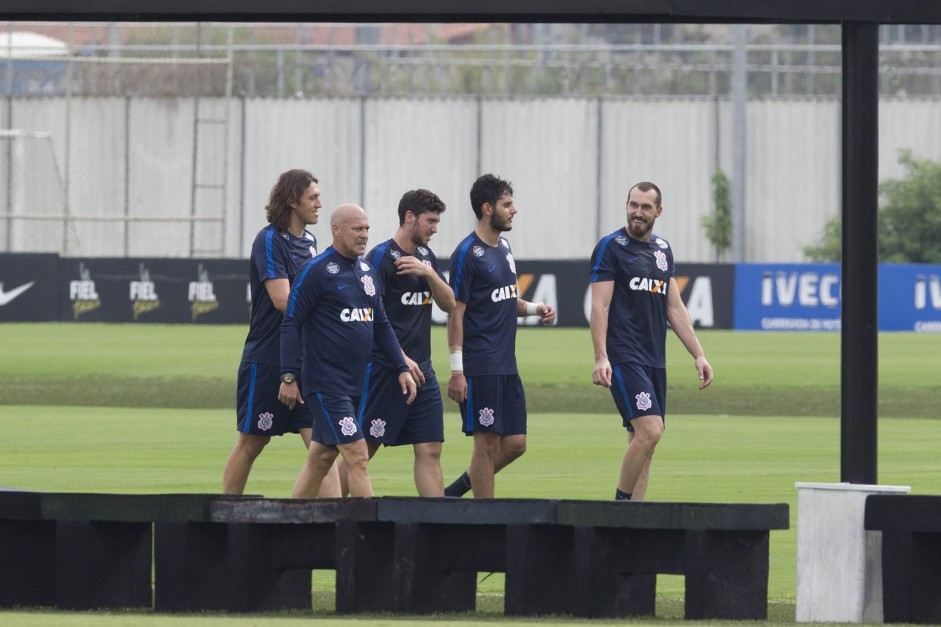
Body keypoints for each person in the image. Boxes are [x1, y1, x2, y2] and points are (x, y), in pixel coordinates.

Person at [280, 203, 418, 498]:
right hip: (326, 383)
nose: (364, 235)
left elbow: (381, 325)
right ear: (336, 230)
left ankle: (289, 524)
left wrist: (401, 367)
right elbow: (291, 322)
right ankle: (366, 533)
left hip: (356, 384)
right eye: (357, 228)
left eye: (367, 228)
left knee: (321, 458)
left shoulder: (367, 272)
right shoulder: (315, 271)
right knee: (357, 454)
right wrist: (288, 376)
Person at [589, 181, 714, 501]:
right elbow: (600, 306)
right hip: (624, 356)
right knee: (650, 430)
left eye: (645, 207)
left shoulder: (662, 250)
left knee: (644, 443)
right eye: (633, 205)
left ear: (658, 211)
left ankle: (634, 523)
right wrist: (601, 357)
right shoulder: (611, 246)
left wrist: (698, 354)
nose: (637, 212)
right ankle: (618, 511)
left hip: (654, 359)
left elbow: (674, 307)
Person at [222, 169, 339, 497]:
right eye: (313, 197)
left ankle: (336, 525)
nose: (320, 203)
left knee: (323, 447)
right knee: (252, 442)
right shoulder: (270, 239)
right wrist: (329, 317)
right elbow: (281, 300)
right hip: (269, 359)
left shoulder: (312, 242)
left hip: (306, 361)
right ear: (292, 200)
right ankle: (225, 514)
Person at [442, 174, 555, 499]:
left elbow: (506, 300)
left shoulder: (503, 247)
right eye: (507, 204)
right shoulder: (467, 253)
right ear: (488, 208)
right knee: (487, 444)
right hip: (480, 366)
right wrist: (457, 370)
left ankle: (456, 491)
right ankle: (485, 521)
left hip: (507, 364)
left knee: (516, 444)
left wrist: (536, 309)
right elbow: (456, 312)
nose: (514, 210)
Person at [336, 189, 455, 496]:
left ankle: (436, 522)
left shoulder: (426, 257)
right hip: (385, 371)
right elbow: (368, 319)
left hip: (423, 372)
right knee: (363, 447)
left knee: (430, 448)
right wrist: (399, 358)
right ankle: (329, 505)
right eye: (430, 221)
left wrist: (427, 273)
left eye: (437, 221)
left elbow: (450, 304)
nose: (435, 228)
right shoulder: (380, 258)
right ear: (410, 217)